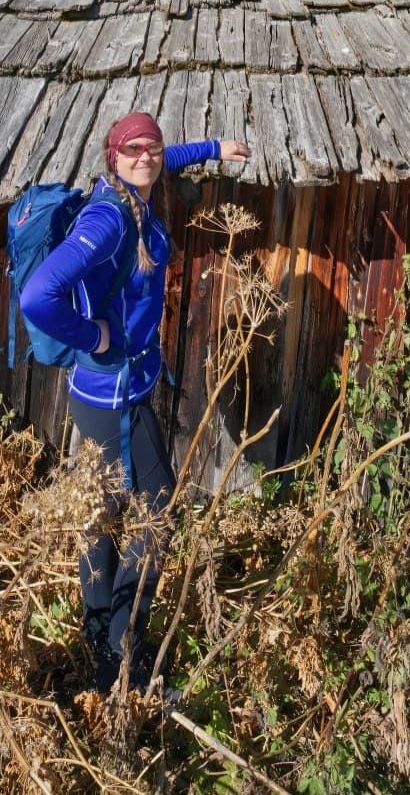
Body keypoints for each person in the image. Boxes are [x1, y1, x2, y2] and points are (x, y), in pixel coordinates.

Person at [19, 112, 250, 690]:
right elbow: (36, 296)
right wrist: (93, 336)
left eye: (152, 148)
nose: (146, 156)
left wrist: (213, 147)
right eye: (133, 150)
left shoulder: (132, 190)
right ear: (111, 157)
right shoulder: (109, 219)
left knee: (104, 515)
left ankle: (101, 648)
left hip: (113, 392)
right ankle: (123, 652)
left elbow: (159, 158)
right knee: (157, 510)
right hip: (113, 394)